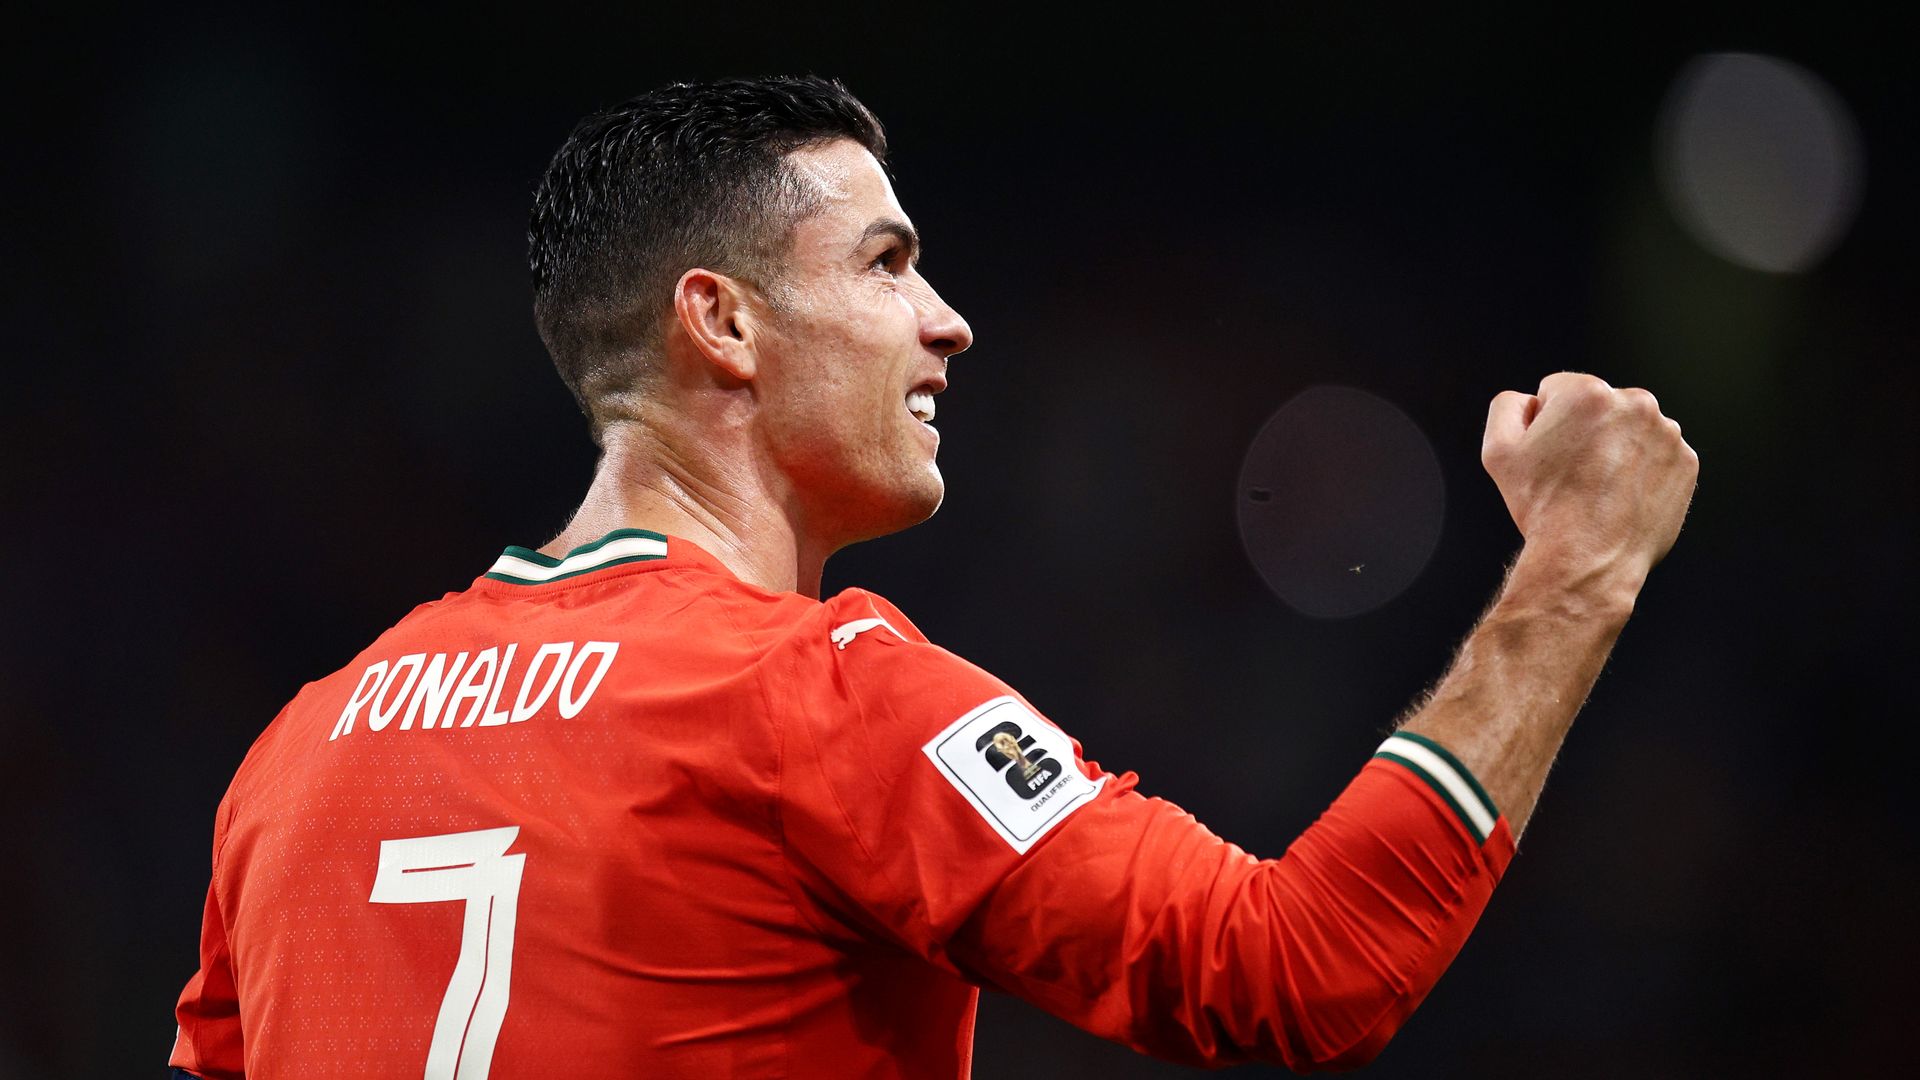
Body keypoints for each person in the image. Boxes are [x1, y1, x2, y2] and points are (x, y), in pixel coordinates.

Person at [169, 76, 1698, 1078]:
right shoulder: (813, 696)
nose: (950, 321)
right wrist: (1580, 567)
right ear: (724, 324)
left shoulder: (296, 757)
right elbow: (1291, 970)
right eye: (888, 265)